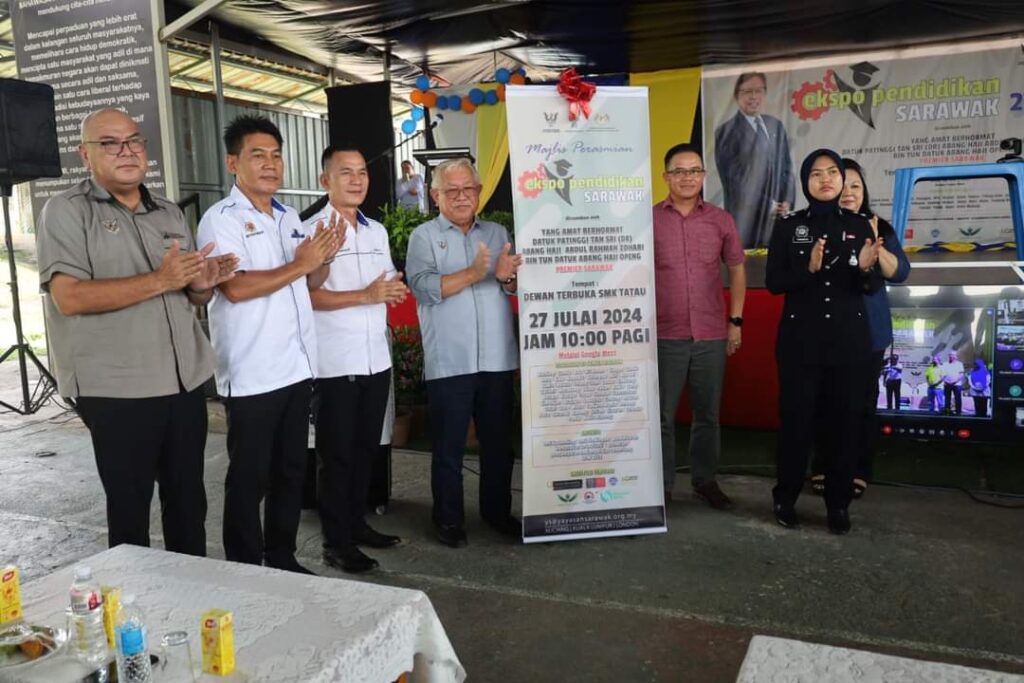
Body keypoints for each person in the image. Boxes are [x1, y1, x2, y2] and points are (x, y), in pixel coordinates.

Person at [36, 108, 238, 554]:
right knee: (130, 511)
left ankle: (191, 587)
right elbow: (69, 297)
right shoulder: (66, 211)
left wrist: (202, 284)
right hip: (118, 387)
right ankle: (131, 596)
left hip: (184, 380)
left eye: (133, 141)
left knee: (188, 503)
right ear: (85, 155)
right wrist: (161, 280)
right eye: (109, 143)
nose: (126, 151)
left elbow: (189, 295)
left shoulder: (166, 211)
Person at [198, 115, 341, 573]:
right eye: (257, 155)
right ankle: (243, 566)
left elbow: (308, 280)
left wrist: (323, 258)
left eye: (276, 155)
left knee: (290, 472)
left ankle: (282, 557)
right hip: (253, 373)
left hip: (296, 367)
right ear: (232, 162)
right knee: (249, 477)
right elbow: (235, 288)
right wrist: (301, 264)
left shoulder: (288, 217)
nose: (270, 164)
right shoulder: (221, 220)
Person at [405, 157, 522, 548]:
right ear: (435, 195)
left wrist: (507, 279)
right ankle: (448, 519)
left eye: (468, 189)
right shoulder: (423, 236)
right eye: (451, 190)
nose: (460, 197)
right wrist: (474, 273)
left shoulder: (497, 232)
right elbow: (423, 288)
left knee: (499, 446)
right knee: (449, 448)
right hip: (450, 360)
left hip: (497, 358)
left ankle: (496, 512)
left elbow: (511, 285)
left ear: (479, 192)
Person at [304, 145, 409, 573]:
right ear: (325, 180)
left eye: (362, 172)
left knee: (367, 449)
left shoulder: (376, 231)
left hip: (375, 359)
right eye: (345, 172)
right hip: (335, 363)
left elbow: (383, 284)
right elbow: (306, 296)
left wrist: (392, 289)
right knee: (337, 457)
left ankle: (356, 525)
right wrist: (365, 295)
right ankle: (336, 542)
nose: (356, 180)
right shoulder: (310, 232)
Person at [766, 149, 881, 535]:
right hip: (801, 344)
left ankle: (838, 504)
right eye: (816, 173)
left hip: (849, 344)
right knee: (796, 424)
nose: (826, 179)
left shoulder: (861, 226)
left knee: (844, 426)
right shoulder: (789, 226)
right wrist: (808, 269)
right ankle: (785, 498)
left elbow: (870, 286)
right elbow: (774, 282)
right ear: (806, 182)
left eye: (833, 172)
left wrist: (865, 269)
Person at [809, 158, 911, 499]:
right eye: (844, 186)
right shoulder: (816, 226)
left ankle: (858, 470)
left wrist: (874, 241)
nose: (849, 193)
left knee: (864, 404)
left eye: (856, 186)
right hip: (827, 331)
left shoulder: (881, 227)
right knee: (825, 401)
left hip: (869, 331)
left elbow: (900, 273)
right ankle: (822, 465)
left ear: (863, 191)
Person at [653, 143, 746, 509]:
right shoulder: (648, 220)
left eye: (694, 171)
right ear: (666, 177)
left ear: (704, 176)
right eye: (679, 171)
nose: (687, 177)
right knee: (662, 416)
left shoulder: (721, 220)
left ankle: (705, 481)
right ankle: (660, 487)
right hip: (663, 333)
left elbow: (736, 270)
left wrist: (735, 321)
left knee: (707, 414)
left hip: (710, 333)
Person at [714, 72, 795, 249]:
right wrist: (770, 206)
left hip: (779, 220)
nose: (753, 96)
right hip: (747, 224)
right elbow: (735, 180)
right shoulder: (726, 132)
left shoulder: (775, 125)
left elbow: (787, 168)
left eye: (758, 91)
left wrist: (787, 201)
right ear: (736, 96)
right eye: (747, 91)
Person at [942, 350, 965, 416]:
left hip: (957, 384)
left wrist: (955, 381)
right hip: (947, 384)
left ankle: (958, 413)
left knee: (958, 399)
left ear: (956, 356)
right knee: (947, 399)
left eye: (952, 355)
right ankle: (947, 412)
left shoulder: (959, 364)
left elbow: (961, 374)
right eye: (950, 355)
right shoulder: (945, 364)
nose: (951, 356)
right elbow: (942, 374)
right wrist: (945, 381)